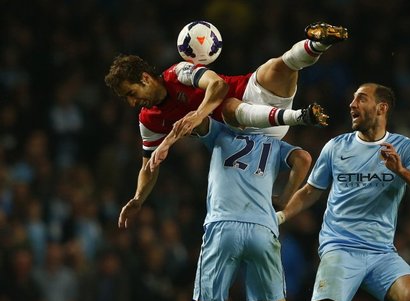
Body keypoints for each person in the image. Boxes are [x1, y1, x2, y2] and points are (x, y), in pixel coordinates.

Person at [104, 22, 347, 228]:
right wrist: (138, 197)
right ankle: (300, 116)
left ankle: (318, 43)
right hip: (241, 125)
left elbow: (217, 85)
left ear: (145, 78)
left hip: (254, 97)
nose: (132, 102)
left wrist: (198, 115)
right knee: (228, 107)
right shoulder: (149, 119)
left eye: (131, 93)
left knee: (279, 66)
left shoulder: (178, 73)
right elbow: (149, 164)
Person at [277, 83, 410, 301]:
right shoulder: (336, 146)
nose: (352, 104)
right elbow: (310, 190)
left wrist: (400, 170)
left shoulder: (405, 147)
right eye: (352, 99)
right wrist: (281, 217)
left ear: (381, 108)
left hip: (381, 252)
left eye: (361, 99)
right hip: (340, 248)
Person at [147, 99, 313, 301]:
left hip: (223, 224)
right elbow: (304, 159)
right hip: (262, 228)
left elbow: (197, 120)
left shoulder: (221, 132)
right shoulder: (272, 144)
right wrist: (283, 199)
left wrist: (177, 122)